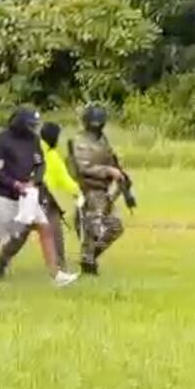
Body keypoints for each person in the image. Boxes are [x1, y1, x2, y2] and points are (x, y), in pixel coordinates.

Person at [0, 107, 79, 287]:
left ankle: (56, 274)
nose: (33, 129)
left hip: (28, 195)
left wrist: (34, 181)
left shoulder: (34, 140)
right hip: (4, 195)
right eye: (30, 125)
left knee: (45, 228)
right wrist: (14, 184)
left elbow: (40, 164)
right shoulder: (2, 140)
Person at [69, 105, 126, 276]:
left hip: (104, 189)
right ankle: (88, 261)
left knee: (109, 228)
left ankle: (89, 259)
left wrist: (118, 174)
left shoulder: (102, 139)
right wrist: (108, 171)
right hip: (90, 189)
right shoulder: (80, 142)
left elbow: (110, 159)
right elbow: (83, 168)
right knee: (98, 229)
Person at [39, 121, 82, 273]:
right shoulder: (49, 155)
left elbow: (63, 179)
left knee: (15, 238)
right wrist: (78, 192)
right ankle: (60, 265)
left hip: (38, 199)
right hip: (38, 199)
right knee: (55, 231)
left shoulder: (43, 152)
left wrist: (76, 191)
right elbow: (65, 180)